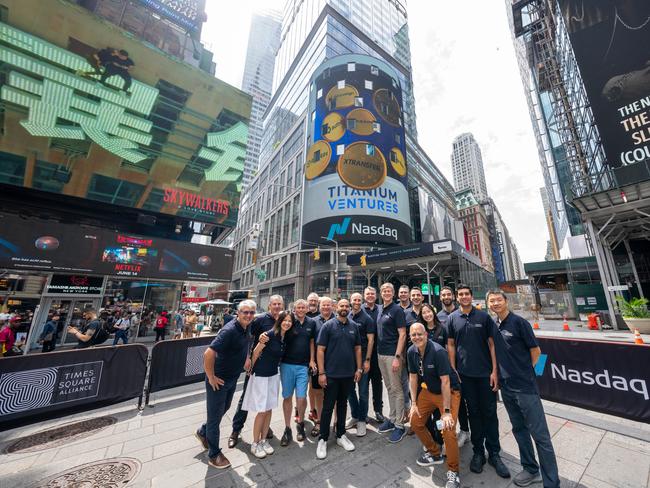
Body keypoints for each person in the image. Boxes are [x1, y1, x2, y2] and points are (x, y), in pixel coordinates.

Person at [487, 290, 560, 488]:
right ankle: (530, 468)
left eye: (498, 300)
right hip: (507, 389)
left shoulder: (520, 323)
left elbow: (537, 352)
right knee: (519, 430)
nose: (495, 303)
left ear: (506, 301)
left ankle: (552, 482)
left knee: (541, 436)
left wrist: (532, 377)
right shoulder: (494, 325)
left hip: (525, 388)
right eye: (491, 301)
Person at [447, 285, 510, 478]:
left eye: (467, 294)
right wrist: (453, 370)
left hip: (485, 376)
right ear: (457, 298)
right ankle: (478, 452)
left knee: (490, 413)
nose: (464, 297)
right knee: (473, 413)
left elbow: (492, 345)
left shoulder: (484, 317)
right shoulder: (452, 319)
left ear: (471, 297)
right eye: (461, 295)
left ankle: (494, 454)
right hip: (465, 376)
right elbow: (450, 345)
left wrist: (494, 372)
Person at [195, 300, 255, 469]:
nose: (249, 315)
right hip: (218, 381)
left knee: (224, 409)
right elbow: (208, 353)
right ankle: (214, 454)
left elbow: (246, 344)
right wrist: (211, 376)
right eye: (245, 312)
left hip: (232, 378)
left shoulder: (247, 327)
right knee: (215, 417)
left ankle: (202, 431)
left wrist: (246, 358)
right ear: (238, 313)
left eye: (251, 312)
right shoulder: (229, 330)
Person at [408, 323, 462, 488]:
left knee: (448, 429)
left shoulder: (438, 351)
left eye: (419, 334)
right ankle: (434, 452)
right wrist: (414, 403)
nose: (417, 337)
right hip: (429, 391)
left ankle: (453, 471)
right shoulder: (411, 351)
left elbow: (445, 382)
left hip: (449, 392)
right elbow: (413, 377)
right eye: (413, 335)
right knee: (415, 422)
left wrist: (446, 412)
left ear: (426, 334)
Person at [228, 295, 284, 448]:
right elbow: (248, 337)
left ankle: (264, 428)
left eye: (279, 304)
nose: (277, 306)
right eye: (274, 304)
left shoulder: (283, 320)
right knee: (245, 398)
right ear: (269, 306)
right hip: (256, 367)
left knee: (267, 402)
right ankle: (235, 430)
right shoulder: (260, 320)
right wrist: (248, 358)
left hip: (272, 368)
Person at [315, 299, 362, 459]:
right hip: (331, 375)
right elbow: (320, 350)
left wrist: (359, 368)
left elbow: (357, 348)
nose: (344, 308)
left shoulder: (353, 326)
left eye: (346, 306)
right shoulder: (328, 326)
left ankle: (341, 434)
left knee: (342, 405)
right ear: (336, 308)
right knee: (328, 407)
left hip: (348, 374)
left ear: (349, 308)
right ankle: (323, 438)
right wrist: (321, 373)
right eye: (341, 306)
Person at [243, 310, 294, 459]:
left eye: (290, 321)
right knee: (262, 410)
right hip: (261, 375)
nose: (287, 323)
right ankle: (255, 443)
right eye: (285, 320)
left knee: (269, 408)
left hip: (273, 375)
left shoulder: (285, 337)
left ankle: (264, 440)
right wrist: (250, 367)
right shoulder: (269, 334)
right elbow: (256, 351)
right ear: (279, 321)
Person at [279, 299, 316, 446]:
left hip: (303, 366)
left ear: (307, 309)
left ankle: (300, 423)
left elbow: (312, 342)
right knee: (287, 396)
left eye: (303, 307)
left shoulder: (311, 323)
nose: (300, 310)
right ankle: (287, 428)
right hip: (287, 365)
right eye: (298, 307)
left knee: (301, 397)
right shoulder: (289, 321)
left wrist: (312, 360)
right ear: (295, 309)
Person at [438, 286, 470, 448]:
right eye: (443, 295)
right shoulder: (438, 317)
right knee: (447, 400)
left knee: (462, 399)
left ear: (454, 297)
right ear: (440, 297)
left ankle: (465, 430)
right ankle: (447, 432)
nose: (446, 297)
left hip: (462, 364)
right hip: (445, 367)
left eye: (448, 294)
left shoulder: (460, 314)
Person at [376, 283, 408, 443]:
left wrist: (397, 356)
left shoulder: (397, 310)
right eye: (384, 291)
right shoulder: (381, 309)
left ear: (393, 293)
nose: (387, 293)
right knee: (389, 388)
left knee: (397, 389)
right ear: (381, 293)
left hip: (392, 355)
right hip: (381, 354)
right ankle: (392, 418)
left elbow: (402, 334)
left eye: (389, 291)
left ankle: (400, 425)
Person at [346, 292, 376, 437]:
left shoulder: (367, 319)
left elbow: (371, 341)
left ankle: (362, 420)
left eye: (359, 299)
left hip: (363, 357)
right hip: (348, 360)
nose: (357, 302)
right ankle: (355, 415)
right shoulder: (347, 316)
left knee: (363, 391)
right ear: (350, 301)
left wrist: (367, 360)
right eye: (354, 299)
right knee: (350, 390)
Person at [309, 296, 334, 436]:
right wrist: (312, 360)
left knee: (333, 394)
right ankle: (319, 421)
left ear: (332, 306)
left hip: (334, 363)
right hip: (318, 364)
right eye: (323, 305)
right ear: (319, 306)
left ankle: (335, 422)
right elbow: (312, 342)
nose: (326, 307)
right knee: (318, 392)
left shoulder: (338, 320)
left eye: (328, 305)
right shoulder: (313, 322)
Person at [363, 286, 384, 423]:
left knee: (377, 383)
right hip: (362, 354)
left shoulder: (381, 310)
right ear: (364, 296)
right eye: (368, 294)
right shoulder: (360, 310)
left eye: (372, 294)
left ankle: (378, 410)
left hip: (378, 354)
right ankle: (362, 413)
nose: (370, 296)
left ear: (376, 296)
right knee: (363, 386)